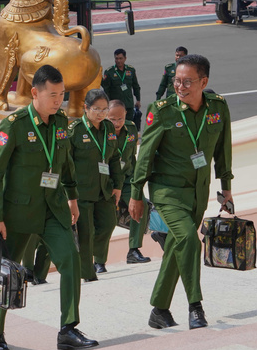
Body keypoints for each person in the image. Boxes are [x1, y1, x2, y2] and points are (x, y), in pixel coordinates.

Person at [0, 65, 98, 350]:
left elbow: (65, 163)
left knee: (70, 259)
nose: (58, 101)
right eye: (52, 95)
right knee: (6, 271)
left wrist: (72, 197)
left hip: (53, 208)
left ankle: (68, 329)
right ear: (35, 93)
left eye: (61, 95)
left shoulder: (61, 122)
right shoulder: (13, 125)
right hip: (18, 213)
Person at [129, 54, 233, 331]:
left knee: (178, 246)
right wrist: (136, 193)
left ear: (203, 82)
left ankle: (159, 310)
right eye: (177, 80)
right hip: (167, 191)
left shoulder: (218, 107)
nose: (180, 86)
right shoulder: (162, 110)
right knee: (189, 240)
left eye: (187, 81)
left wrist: (226, 188)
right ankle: (195, 307)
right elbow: (145, 154)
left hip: (198, 191)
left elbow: (223, 149)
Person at [68, 90, 123, 280]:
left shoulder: (108, 128)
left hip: (104, 189)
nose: (101, 113)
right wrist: (69, 194)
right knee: (85, 233)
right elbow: (66, 164)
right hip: (82, 191)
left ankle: (94, 257)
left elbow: (114, 158)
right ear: (86, 108)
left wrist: (117, 185)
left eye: (104, 109)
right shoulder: (75, 130)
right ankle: (87, 274)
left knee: (109, 224)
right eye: (96, 109)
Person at [107, 100, 151, 264]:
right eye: (112, 119)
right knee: (106, 218)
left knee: (141, 205)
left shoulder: (131, 128)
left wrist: (137, 179)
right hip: (108, 181)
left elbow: (132, 157)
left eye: (120, 118)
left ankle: (134, 249)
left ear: (125, 115)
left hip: (126, 180)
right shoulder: (102, 131)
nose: (117, 123)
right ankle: (98, 259)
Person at [102, 48, 142, 123]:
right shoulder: (109, 72)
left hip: (128, 105)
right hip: (116, 106)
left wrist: (138, 100)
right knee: (117, 124)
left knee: (129, 124)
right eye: (116, 58)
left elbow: (136, 86)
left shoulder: (131, 70)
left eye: (120, 58)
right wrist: (108, 104)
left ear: (125, 58)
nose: (118, 61)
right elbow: (106, 89)